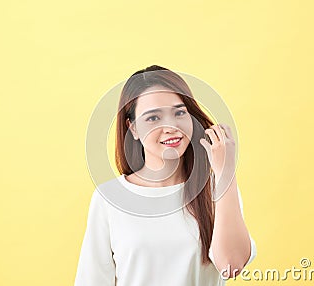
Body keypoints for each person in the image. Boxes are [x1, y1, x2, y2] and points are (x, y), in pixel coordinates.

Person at [74, 65, 257, 286]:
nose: (170, 126)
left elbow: (231, 265)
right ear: (132, 128)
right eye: (153, 118)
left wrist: (225, 173)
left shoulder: (216, 189)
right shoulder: (109, 197)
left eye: (179, 113)